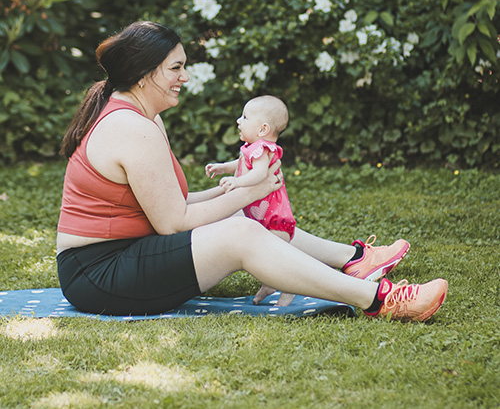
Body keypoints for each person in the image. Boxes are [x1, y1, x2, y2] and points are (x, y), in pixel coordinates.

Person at [56, 20, 448, 322]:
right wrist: (247, 192)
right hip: (98, 274)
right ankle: (380, 299)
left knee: (245, 215)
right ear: (145, 73)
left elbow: (173, 204)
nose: (185, 78)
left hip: (126, 255)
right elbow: (173, 223)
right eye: (176, 68)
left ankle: (353, 260)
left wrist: (242, 193)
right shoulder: (132, 127)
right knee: (241, 229)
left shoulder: (144, 117)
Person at [205, 95, 296, 306]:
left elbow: (259, 174)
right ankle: (269, 284)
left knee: (278, 258)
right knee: (266, 259)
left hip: (274, 218)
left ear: (263, 129)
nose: (239, 120)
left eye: (245, 117)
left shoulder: (262, 149)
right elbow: (240, 164)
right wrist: (223, 167)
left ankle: (289, 288)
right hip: (261, 216)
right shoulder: (253, 148)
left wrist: (238, 183)